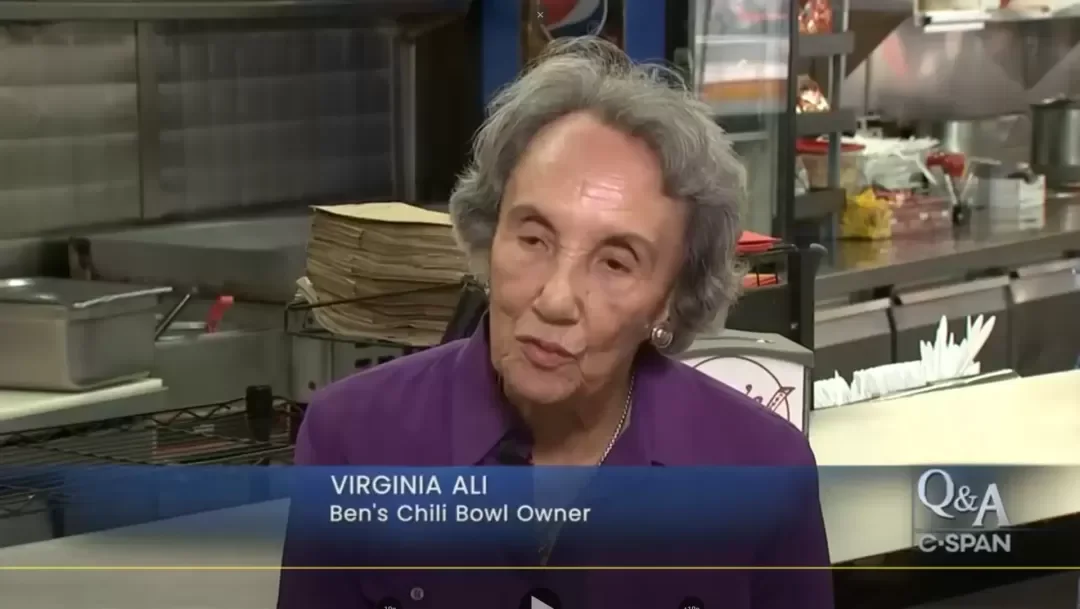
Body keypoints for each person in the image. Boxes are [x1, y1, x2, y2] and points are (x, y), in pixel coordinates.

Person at [278, 37, 833, 609]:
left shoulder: (764, 470)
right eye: (534, 238)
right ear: (488, 235)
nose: (557, 298)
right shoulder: (351, 440)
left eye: (616, 262)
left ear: (671, 299)